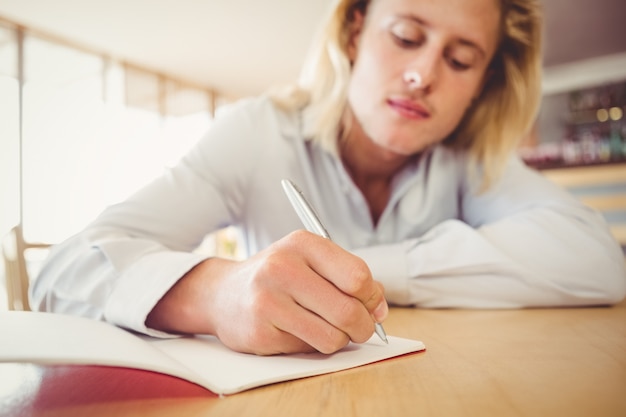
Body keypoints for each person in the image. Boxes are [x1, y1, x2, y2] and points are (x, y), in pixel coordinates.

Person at [31, 0, 626, 355]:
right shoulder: (257, 133)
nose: (423, 74)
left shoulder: (469, 158)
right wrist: (215, 293)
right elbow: (63, 273)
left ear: (481, 85)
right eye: (406, 37)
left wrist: (366, 271)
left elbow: (596, 259)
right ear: (354, 32)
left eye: (460, 59)